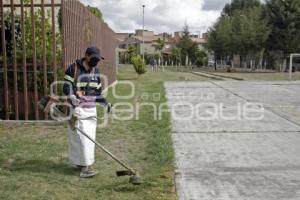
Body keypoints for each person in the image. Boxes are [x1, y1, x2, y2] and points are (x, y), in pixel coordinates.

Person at [63, 46, 111, 178]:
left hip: (91, 110)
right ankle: (85, 168)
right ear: (86, 55)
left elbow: (97, 92)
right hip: (78, 108)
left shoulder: (96, 71)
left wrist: (105, 103)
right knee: (81, 138)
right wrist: (71, 95)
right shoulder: (74, 69)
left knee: (89, 140)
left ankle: (80, 163)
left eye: (98, 59)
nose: (96, 61)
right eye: (94, 58)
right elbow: (66, 85)